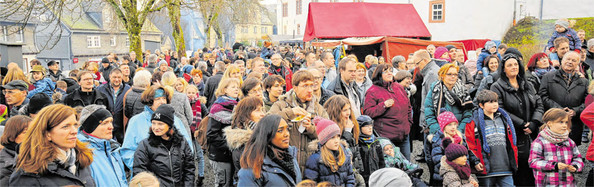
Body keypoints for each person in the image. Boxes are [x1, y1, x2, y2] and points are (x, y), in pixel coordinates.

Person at [490, 53, 544, 186]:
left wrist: (534, 122)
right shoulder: (497, 87)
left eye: (515, 64)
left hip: (533, 131)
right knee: (520, 170)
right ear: (503, 69)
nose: (514, 67)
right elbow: (500, 109)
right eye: (509, 65)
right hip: (513, 134)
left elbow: (539, 104)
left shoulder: (527, 84)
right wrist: (522, 124)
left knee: (535, 165)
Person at [9, 104, 95, 186]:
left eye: (75, 125)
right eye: (65, 126)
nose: (74, 131)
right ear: (47, 134)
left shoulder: (80, 159)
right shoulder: (29, 173)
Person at [121, 85, 194, 169]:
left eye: (164, 98)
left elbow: (187, 147)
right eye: (157, 99)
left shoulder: (175, 120)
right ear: (150, 101)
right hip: (147, 178)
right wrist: (143, 169)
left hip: (173, 176)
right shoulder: (136, 121)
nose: (162, 102)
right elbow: (127, 151)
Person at [269, 70, 329, 171]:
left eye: (311, 85)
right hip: (286, 163)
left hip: (311, 167)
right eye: (305, 86)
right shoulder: (281, 104)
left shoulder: (318, 109)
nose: (310, 90)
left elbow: (327, 134)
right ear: (295, 88)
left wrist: (310, 128)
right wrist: (290, 113)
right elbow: (267, 122)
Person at [133, 104, 195, 186]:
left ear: (169, 125)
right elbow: (140, 172)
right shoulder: (145, 145)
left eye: (160, 124)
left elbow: (189, 169)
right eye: (153, 123)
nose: (156, 127)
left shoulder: (182, 142)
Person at [465, 90, 517, 186]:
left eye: (495, 101)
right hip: (486, 169)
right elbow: (470, 144)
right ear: (481, 105)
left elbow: (512, 142)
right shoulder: (473, 122)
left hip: (505, 167)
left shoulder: (504, 119)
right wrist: (476, 161)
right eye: (490, 102)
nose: (494, 104)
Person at [363, 63, 412, 159]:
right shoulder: (372, 91)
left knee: (407, 164)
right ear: (379, 74)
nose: (389, 73)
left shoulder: (398, 87)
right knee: (391, 167)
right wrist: (383, 105)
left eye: (390, 70)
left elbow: (408, 107)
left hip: (403, 135)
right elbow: (368, 113)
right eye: (385, 71)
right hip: (387, 137)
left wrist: (408, 124)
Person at [237, 114, 302, 186]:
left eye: (287, 129)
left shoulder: (291, 157)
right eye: (280, 131)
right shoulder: (252, 167)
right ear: (267, 135)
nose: (286, 134)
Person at [539, 51, 588, 146]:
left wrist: (575, 111)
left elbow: (587, 102)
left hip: (574, 123)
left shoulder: (584, 81)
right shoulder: (548, 77)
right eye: (568, 59)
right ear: (562, 60)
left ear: (578, 64)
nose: (570, 62)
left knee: (571, 151)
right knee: (551, 150)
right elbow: (542, 96)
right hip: (553, 121)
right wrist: (559, 111)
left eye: (574, 60)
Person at [529, 108, 583, 186]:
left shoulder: (569, 142)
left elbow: (578, 158)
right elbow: (533, 162)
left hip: (567, 184)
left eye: (566, 122)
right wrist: (554, 165)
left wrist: (575, 166)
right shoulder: (539, 142)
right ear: (550, 123)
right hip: (547, 184)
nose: (564, 125)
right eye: (561, 122)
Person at [77, 105, 128, 186]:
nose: (111, 127)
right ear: (90, 127)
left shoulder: (113, 148)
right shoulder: (82, 151)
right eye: (104, 123)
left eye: (111, 122)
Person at [207, 78, 241, 187]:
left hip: (233, 154)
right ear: (225, 89)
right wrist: (230, 145)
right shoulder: (217, 107)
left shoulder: (238, 106)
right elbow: (211, 134)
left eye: (237, 87)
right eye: (233, 87)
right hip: (221, 155)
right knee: (224, 184)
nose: (236, 89)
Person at [223, 96, 265, 185]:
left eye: (262, 110)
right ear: (246, 114)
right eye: (257, 110)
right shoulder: (245, 141)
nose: (262, 114)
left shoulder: (260, 133)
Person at [304, 117, 355, 186]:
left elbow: (350, 179)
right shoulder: (315, 159)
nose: (337, 141)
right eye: (332, 137)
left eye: (338, 136)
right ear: (324, 140)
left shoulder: (345, 154)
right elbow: (310, 183)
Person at [428, 110, 466, 186]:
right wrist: (454, 169)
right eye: (449, 125)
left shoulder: (461, 138)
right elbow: (437, 159)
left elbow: (466, 156)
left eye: (455, 124)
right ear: (443, 126)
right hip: (443, 177)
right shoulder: (438, 140)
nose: (453, 127)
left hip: (460, 175)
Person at [96, 69, 130, 143]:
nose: (117, 80)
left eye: (119, 77)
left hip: (121, 126)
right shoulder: (101, 89)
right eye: (114, 77)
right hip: (105, 124)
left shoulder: (128, 89)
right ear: (110, 77)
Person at [0, 115, 31, 186]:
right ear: (12, 136)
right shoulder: (5, 164)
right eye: (26, 132)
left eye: (33, 132)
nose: (31, 136)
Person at [161, 72, 194, 137]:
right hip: (183, 129)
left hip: (165, 130)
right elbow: (190, 117)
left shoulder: (159, 97)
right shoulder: (182, 96)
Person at [355, 115, 385, 184]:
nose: (370, 128)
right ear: (359, 127)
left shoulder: (376, 142)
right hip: (363, 178)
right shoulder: (357, 143)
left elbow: (381, 162)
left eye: (371, 125)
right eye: (366, 126)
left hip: (376, 177)